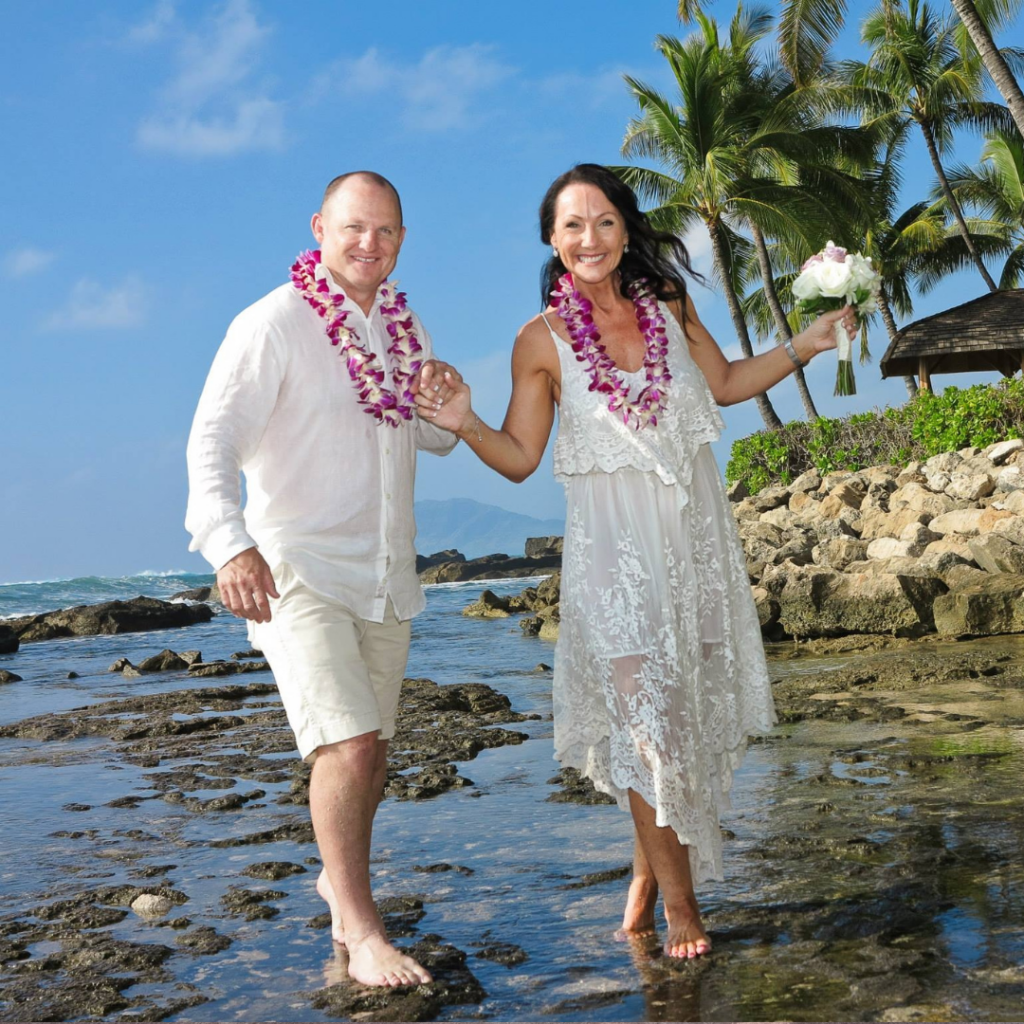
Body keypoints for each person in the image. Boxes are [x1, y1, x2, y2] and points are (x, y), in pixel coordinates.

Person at [418, 163, 855, 960]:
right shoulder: (539, 341)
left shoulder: (670, 306)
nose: (591, 238)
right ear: (552, 240)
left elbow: (724, 384)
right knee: (647, 733)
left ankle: (651, 872)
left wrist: (809, 343)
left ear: (626, 230)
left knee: (683, 720)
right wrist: (465, 421)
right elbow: (520, 458)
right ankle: (683, 907)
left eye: (605, 222)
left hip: (694, 547)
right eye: (573, 226)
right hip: (613, 564)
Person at [186, 171, 460, 988]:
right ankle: (363, 929)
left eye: (385, 231)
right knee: (347, 744)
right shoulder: (272, 322)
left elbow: (425, 438)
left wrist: (448, 407)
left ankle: (338, 887)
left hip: (384, 572)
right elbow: (211, 442)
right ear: (318, 227)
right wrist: (230, 547)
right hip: (295, 570)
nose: (368, 244)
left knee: (372, 754)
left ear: (402, 240)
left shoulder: (403, 329)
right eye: (353, 228)